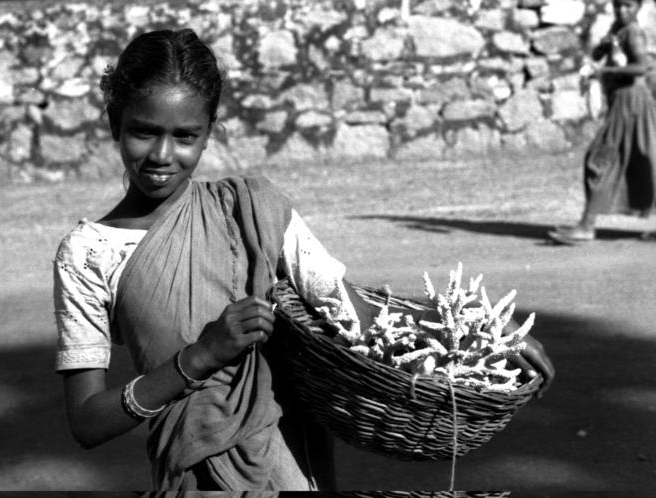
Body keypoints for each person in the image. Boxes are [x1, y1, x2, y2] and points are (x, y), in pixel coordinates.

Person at [52, 28, 555, 491]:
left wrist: (485, 337)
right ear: (115, 122)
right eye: (143, 131)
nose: (162, 154)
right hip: (193, 476)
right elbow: (87, 423)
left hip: (292, 464)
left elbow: (349, 308)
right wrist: (199, 358)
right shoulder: (88, 253)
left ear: (209, 132)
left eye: (186, 137)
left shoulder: (251, 207)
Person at [549, 0, 656, 244]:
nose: (622, 11)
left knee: (599, 159)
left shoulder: (633, 33)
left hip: (631, 104)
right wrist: (602, 48)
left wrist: (605, 73)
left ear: (638, 7)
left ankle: (587, 225)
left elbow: (642, 67)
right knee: (644, 160)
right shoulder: (618, 30)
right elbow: (599, 54)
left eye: (628, 6)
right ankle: (587, 224)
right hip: (625, 103)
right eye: (618, 6)